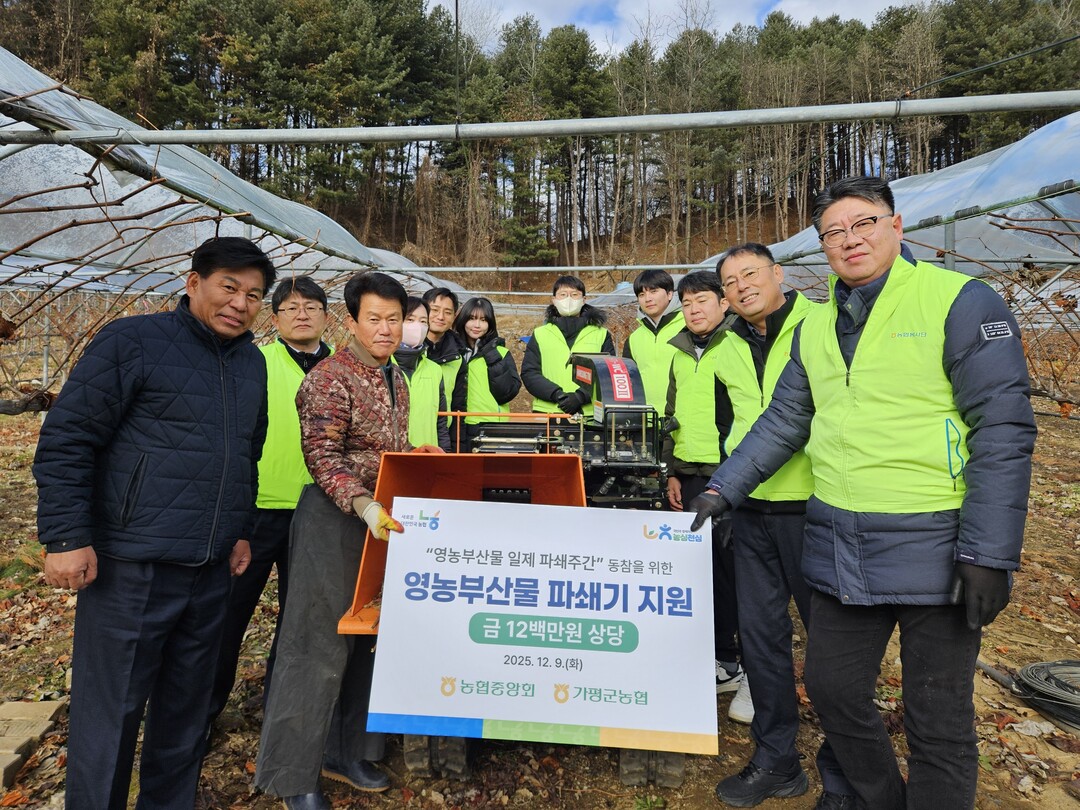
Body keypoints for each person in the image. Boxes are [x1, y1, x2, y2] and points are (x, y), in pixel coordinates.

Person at [691, 176, 1036, 810]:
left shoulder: (959, 301)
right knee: (833, 690)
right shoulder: (819, 326)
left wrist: (990, 551)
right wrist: (723, 489)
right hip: (842, 542)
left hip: (939, 541)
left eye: (864, 224)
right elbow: (785, 420)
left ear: (896, 226)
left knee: (936, 716)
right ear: (821, 247)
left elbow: (1004, 428)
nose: (850, 241)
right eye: (833, 233)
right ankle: (882, 799)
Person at [33, 236, 276, 809]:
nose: (240, 304)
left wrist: (239, 528)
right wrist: (66, 536)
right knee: (110, 711)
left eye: (254, 295)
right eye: (229, 287)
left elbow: (247, 452)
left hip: (211, 566)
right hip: (131, 563)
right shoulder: (134, 340)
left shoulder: (251, 362)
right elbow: (70, 438)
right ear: (194, 284)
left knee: (186, 709)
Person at [256, 272, 442, 810]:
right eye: (374, 319)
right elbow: (323, 455)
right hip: (336, 517)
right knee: (315, 641)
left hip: (382, 517)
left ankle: (345, 751)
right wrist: (364, 504)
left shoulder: (395, 379)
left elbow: (386, 445)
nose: (386, 330)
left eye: (396, 319)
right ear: (353, 320)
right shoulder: (329, 377)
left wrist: (414, 455)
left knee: (366, 635)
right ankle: (293, 775)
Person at [709, 244, 851, 808]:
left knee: (834, 648)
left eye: (750, 274)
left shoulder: (823, 325)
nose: (742, 286)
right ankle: (776, 761)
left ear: (778, 274)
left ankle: (843, 774)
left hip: (813, 506)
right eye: (731, 281)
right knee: (762, 639)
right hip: (750, 512)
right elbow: (731, 422)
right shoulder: (725, 346)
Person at [207, 275, 332, 731]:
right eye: (291, 307)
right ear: (274, 317)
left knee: (301, 619)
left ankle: (282, 709)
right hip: (259, 509)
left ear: (326, 315)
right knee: (229, 615)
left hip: (323, 509)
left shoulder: (342, 369)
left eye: (311, 307)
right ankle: (205, 713)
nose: (302, 314)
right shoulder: (254, 362)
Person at [661, 271, 747, 715]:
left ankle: (751, 667)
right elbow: (672, 414)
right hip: (692, 475)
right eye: (687, 302)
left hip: (731, 477)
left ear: (724, 302)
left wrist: (734, 477)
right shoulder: (679, 351)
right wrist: (673, 471)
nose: (693, 309)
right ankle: (724, 660)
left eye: (702, 300)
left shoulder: (738, 344)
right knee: (704, 572)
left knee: (740, 576)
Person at [521, 275, 614, 417]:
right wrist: (556, 394)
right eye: (563, 295)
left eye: (574, 295)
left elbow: (607, 374)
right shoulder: (540, 334)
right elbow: (530, 373)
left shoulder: (601, 335)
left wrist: (580, 397)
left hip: (590, 414)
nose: (568, 299)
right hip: (547, 413)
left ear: (584, 300)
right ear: (554, 300)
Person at [449, 296, 522, 450]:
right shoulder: (451, 352)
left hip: (492, 426)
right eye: (472, 319)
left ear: (490, 323)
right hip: (456, 424)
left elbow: (507, 393)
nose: (477, 325)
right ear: (463, 320)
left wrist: (492, 356)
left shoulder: (501, 353)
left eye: (483, 320)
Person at [622, 268, 684, 415]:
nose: (647, 298)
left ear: (669, 294)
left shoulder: (688, 327)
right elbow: (629, 382)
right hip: (646, 420)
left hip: (682, 418)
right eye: (642, 294)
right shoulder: (633, 339)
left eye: (653, 291)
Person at [394, 296, 452, 452]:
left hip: (427, 458)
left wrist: (444, 455)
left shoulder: (434, 369)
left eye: (423, 322)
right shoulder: (381, 366)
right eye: (410, 319)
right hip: (392, 459)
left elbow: (441, 422)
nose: (417, 327)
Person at [423, 286, 465, 414]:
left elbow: (458, 405)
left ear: (454, 316)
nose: (440, 317)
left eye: (447, 312)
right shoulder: (407, 349)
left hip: (443, 430)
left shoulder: (457, 356)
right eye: (434, 310)